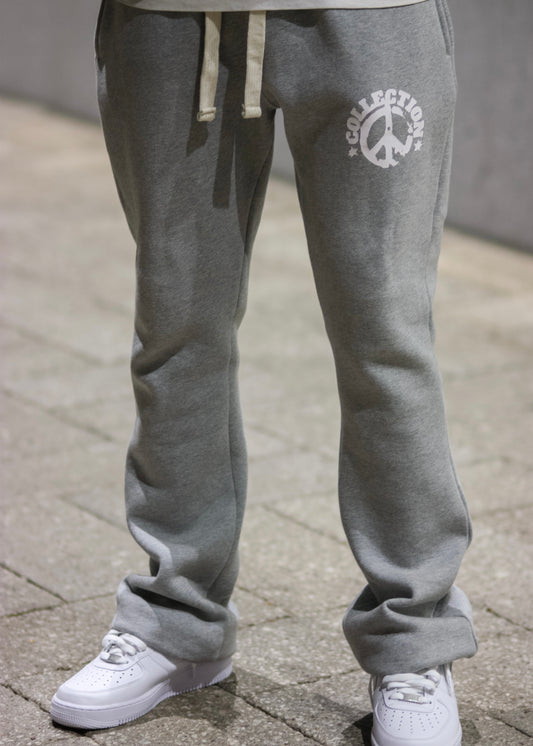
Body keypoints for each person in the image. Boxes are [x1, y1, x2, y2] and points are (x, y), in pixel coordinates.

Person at [50, 0, 478, 743]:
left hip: (371, 17)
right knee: (176, 327)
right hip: (170, 19)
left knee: (385, 336)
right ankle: (176, 624)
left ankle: (414, 639)